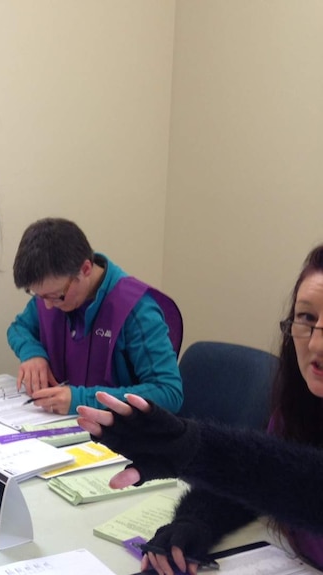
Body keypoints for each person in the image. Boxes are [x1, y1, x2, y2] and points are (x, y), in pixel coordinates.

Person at [77, 244, 323, 575]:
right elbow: (258, 482)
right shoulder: (298, 408)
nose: (315, 344)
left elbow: (305, 485)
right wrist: (195, 522)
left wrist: (193, 447)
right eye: (306, 318)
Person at [7, 217, 184, 415]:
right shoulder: (52, 295)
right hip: (60, 427)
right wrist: (32, 354)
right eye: (39, 296)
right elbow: (18, 328)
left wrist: (81, 400)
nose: (47, 306)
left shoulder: (137, 310)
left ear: (85, 269)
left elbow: (169, 393)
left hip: (120, 437)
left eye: (56, 296)